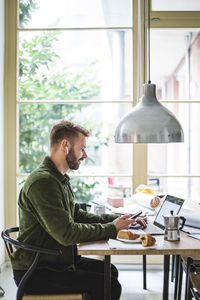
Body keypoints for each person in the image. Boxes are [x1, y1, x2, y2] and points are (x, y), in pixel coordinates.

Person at [11, 120, 146, 300]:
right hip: (38, 270)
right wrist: (112, 229)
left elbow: (77, 215)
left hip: (57, 261)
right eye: (82, 149)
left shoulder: (58, 178)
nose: (85, 155)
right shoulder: (44, 182)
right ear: (65, 146)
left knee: (110, 272)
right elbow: (66, 234)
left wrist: (120, 220)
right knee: (110, 285)